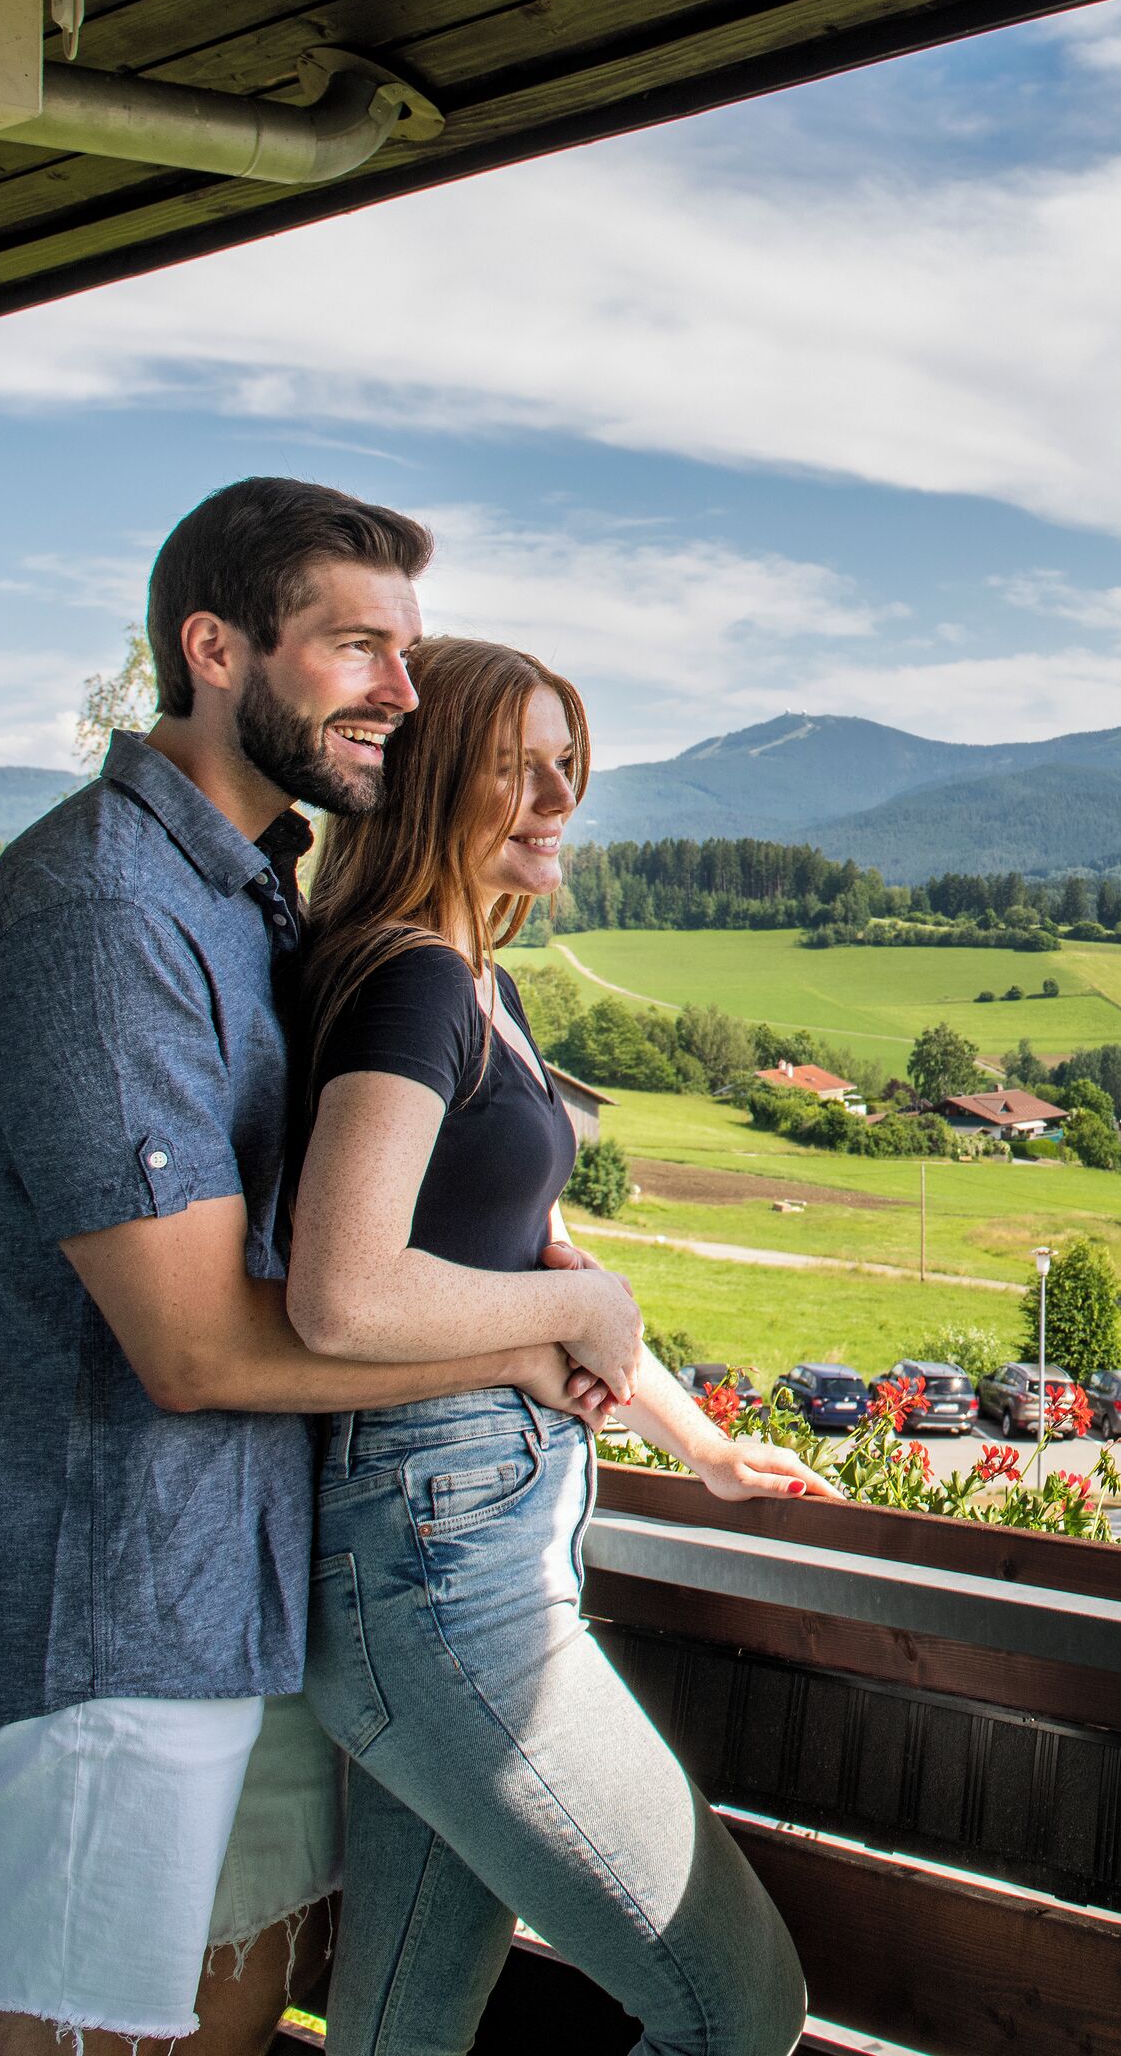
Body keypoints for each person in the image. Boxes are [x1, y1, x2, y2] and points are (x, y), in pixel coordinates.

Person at [0, 481, 634, 2056]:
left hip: (232, 1591)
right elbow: (192, 1348)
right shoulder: (104, 908)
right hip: (107, 1609)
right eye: (356, 647)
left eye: (407, 651)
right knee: (70, 2044)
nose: (403, 694)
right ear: (216, 650)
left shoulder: (243, 896)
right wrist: (529, 1341)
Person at [284, 634, 832, 2055]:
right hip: (440, 1570)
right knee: (739, 2004)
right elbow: (342, 1296)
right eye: (511, 767)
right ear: (424, 784)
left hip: (445, 1548)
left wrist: (699, 1445)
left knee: (401, 2034)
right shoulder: (408, 983)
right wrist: (570, 1320)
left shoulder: (478, 988)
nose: (553, 796)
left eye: (565, 765)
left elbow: (537, 1268)